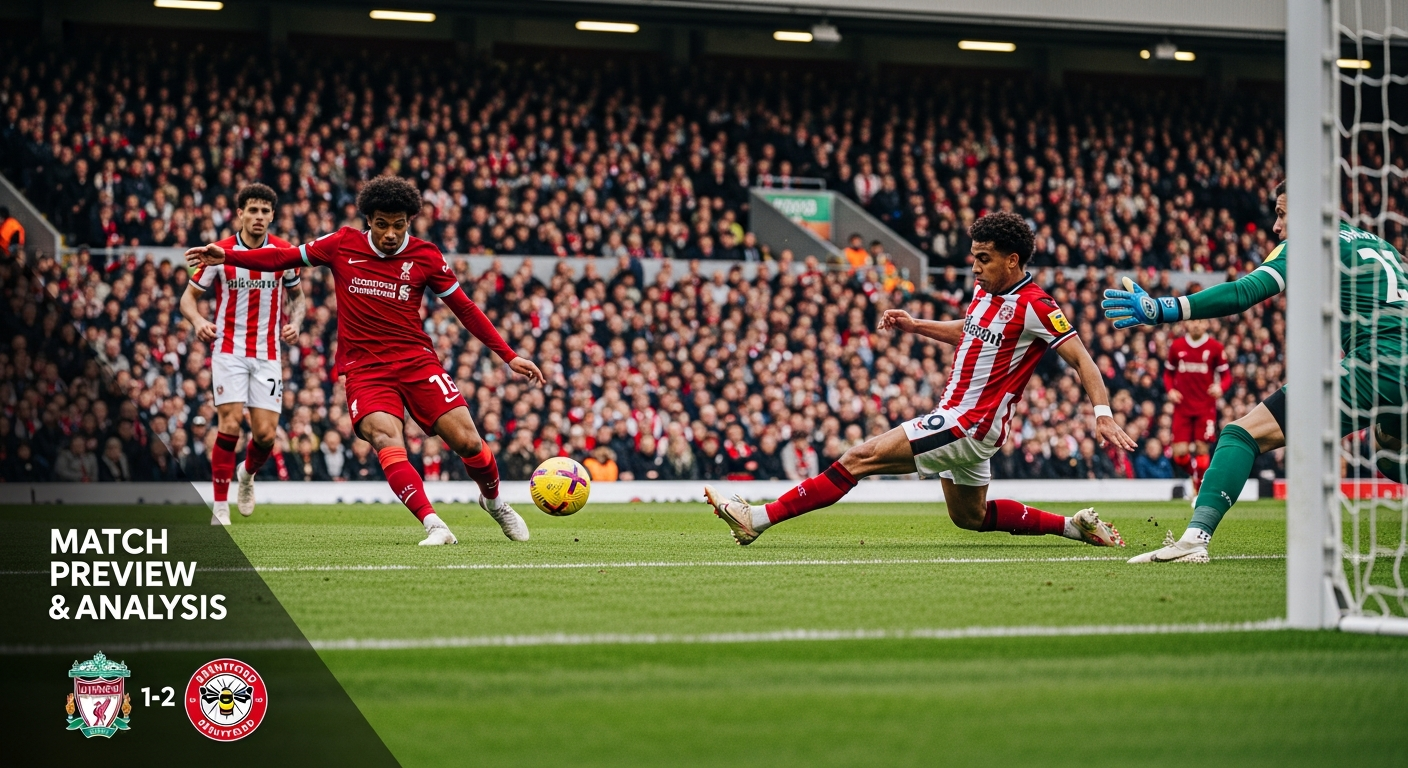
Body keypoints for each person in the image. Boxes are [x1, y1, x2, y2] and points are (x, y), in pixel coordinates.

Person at [705, 211, 1135, 547]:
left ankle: (757, 518)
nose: (975, 268)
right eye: (973, 258)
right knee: (970, 517)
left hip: (970, 422)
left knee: (860, 457)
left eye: (983, 259)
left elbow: (1083, 361)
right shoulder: (985, 292)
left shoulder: (1037, 306)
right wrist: (916, 326)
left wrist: (1102, 414)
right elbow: (968, 331)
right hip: (962, 419)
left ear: (1013, 260)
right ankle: (1076, 528)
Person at [188, 175, 545, 545]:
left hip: (417, 362)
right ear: (368, 220)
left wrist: (509, 355)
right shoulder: (342, 243)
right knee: (386, 438)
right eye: (381, 224)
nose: (390, 233)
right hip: (366, 370)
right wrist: (228, 255)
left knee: (469, 442)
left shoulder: (426, 256)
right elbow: (284, 256)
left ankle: (495, 503)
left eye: (398, 225)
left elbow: (466, 310)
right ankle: (434, 525)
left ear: (409, 221)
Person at [1104, 180, 1408, 563]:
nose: (1276, 227)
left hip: (1375, 362)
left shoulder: (1312, 240)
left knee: (1241, 434)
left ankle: (1194, 539)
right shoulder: (1381, 246)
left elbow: (1243, 292)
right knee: (1387, 449)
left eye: (1282, 214)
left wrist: (1164, 308)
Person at [180, 183, 305, 525]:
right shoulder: (217, 252)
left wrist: (296, 321)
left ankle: (246, 475)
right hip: (228, 350)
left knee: (265, 435)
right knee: (230, 424)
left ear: (273, 215)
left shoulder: (284, 252)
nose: (259, 217)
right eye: (253, 210)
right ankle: (220, 506)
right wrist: (197, 320)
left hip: (267, 353)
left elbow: (298, 298)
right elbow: (187, 298)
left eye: (265, 211)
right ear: (240, 213)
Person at [1163, 318, 1230, 494]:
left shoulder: (1215, 347)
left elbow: (1227, 376)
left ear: (1207, 324)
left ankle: (1200, 489)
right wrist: (1170, 390)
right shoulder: (1177, 346)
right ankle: (1196, 476)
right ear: (1187, 324)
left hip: (1205, 406)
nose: (1197, 324)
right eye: (1193, 321)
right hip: (1182, 407)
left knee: (1202, 448)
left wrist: (1220, 387)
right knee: (1179, 454)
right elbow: (1168, 374)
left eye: (1201, 321)